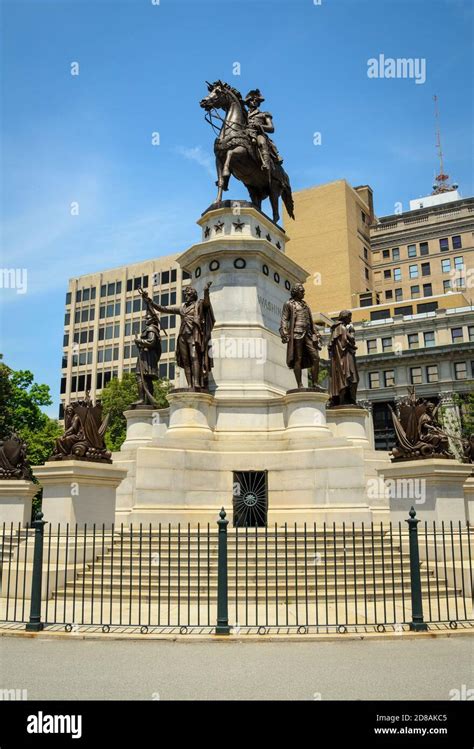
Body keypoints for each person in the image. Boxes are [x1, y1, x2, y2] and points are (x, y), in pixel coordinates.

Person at [140, 282, 215, 390]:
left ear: (193, 295)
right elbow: (163, 309)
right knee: (186, 361)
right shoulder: (182, 308)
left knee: (194, 358)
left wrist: (206, 291)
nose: (186, 296)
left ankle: (196, 383)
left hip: (194, 336)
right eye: (186, 295)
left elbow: (207, 304)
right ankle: (189, 385)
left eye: (188, 294)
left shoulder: (199, 305)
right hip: (182, 337)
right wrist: (149, 301)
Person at [280, 283, 322, 389]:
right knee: (297, 359)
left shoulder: (305, 305)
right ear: (295, 292)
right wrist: (284, 332)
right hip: (296, 334)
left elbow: (311, 321)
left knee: (316, 358)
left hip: (307, 333)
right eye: (302, 291)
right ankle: (300, 384)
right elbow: (284, 319)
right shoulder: (289, 304)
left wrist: (316, 333)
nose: (304, 293)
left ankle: (315, 383)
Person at [244, 89, 283, 173]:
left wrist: (260, 126)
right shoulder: (244, 114)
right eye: (252, 100)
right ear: (248, 102)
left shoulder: (264, 114)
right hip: (246, 133)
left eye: (256, 101)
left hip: (258, 134)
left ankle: (266, 164)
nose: (254, 102)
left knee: (262, 142)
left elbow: (271, 128)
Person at [134, 298, 162, 406]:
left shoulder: (151, 329)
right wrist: (139, 343)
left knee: (140, 377)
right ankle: (149, 400)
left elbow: (151, 342)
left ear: (153, 319)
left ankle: (142, 398)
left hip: (147, 357)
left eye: (148, 317)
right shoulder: (151, 329)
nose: (146, 318)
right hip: (146, 356)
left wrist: (139, 340)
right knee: (147, 379)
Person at [328, 310, 359, 406]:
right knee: (352, 379)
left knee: (351, 379)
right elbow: (349, 341)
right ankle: (346, 400)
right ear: (345, 317)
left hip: (345, 356)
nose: (350, 319)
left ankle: (349, 400)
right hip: (345, 357)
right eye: (349, 317)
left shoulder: (338, 328)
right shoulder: (341, 328)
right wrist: (352, 332)